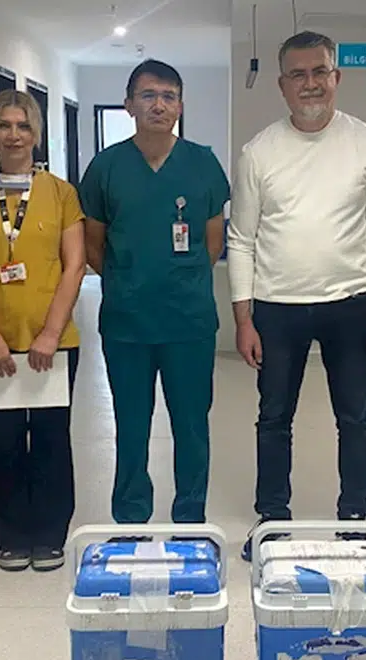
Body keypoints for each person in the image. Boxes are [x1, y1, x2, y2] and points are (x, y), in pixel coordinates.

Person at [228, 31, 366, 561]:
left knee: (356, 418)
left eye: (320, 71)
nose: (310, 83)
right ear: (282, 85)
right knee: (273, 417)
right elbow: (241, 238)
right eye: (298, 74)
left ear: (336, 77)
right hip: (276, 307)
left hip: (350, 303)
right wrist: (244, 318)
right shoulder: (259, 152)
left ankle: (354, 518)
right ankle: (272, 518)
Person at [78, 59, 230, 528]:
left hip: (189, 321)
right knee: (131, 426)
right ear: (129, 105)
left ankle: (190, 519)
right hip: (127, 322)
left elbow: (213, 242)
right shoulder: (106, 167)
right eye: (148, 95)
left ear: (180, 106)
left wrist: (179, 279)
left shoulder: (202, 163)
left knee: (192, 427)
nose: (158, 105)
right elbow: (93, 245)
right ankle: (130, 518)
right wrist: (128, 280)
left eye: (168, 96)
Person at [0, 89, 87, 572]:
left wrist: (50, 333)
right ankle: (11, 535)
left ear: (37, 133)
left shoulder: (61, 193)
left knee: (52, 438)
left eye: (23, 126)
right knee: (4, 440)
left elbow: (75, 265)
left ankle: (50, 534)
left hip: (54, 341)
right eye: (4, 125)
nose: (14, 135)